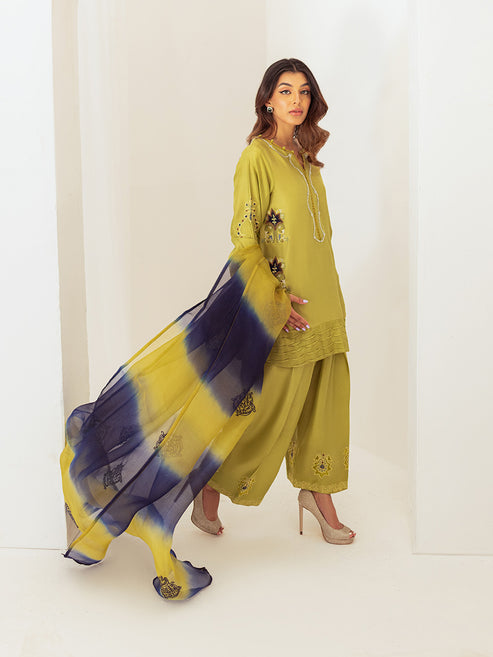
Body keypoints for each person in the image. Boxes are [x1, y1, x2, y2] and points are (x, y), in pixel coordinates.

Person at [60, 58, 354, 602]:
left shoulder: (308, 160)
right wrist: (276, 299)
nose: (296, 101)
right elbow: (245, 240)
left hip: (326, 299)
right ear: (266, 100)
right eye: (285, 91)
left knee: (325, 400)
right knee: (262, 409)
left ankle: (318, 496)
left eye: (304, 92)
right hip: (283, 305)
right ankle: (207, 488)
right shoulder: (256, 157)